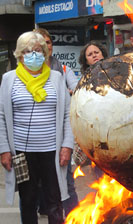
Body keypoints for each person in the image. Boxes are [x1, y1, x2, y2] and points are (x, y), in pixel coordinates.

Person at [0, 31, 73, 224]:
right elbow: (1, 116)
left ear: (45, 53)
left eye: (38, 50)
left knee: (54, 199)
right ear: (19, 55)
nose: (34, 55)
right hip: (22, 152)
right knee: (28, 198)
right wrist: (4, 150)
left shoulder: (57, 78)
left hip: (52, 151)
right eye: (28, 51)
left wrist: (67, 145)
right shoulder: (9, 79)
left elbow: (68, 114)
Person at [33, 27, 79, 217]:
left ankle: (74, 216)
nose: (45, 46)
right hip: (34, 138)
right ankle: (44, 208)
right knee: (36, 184)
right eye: (40, 42)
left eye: (48, 42)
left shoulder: (63, 70)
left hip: (60, 136)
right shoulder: (25, 73)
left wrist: (65, 95)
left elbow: (77, 89)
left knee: (66, 180)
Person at [78, 40, 108, 179]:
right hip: (96, 133)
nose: (94, 55)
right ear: (86, 60)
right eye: (90, 54)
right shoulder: (85, 81)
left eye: (97, 52)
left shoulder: (117, 72)